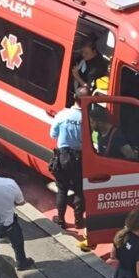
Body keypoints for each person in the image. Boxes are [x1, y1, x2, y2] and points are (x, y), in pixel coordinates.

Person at [49, 86, 90, 229]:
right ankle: (79, 221)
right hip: (79, 157)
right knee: (79, 190)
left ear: (74, 97)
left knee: (62, 189)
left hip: (63, 156)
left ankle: (61, 220)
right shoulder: (87, 118)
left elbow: (53, 134)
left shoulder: (62, 115)